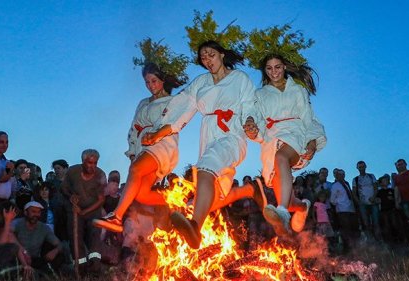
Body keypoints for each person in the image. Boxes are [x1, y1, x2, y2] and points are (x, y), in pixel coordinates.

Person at [142, 40, 266, 249]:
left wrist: (250, 123)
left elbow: (249, 106)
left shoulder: (239, 79)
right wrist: (158, 133)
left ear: (221, 54)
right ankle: (249, 190)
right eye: (203, 57)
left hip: (232, 136)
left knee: (205, 171)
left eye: (210, 54)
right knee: (213, 196)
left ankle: (195, 228)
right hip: (209, 139)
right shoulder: (201, 83)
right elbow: (181, 109)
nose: (207, 60)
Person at [93, 61, 186, 233]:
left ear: (163, 80)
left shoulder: (173, 101)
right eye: (147, 82)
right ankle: (179, 200)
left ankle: (117, 217)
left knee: (136, 170)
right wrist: (133, 153)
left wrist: (155, 136)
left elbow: (174, 124)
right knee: (141, 194)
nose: (151, 86)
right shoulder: (143, 103)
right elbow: (134, 129)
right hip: (144, 148)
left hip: (163, 144)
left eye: (154, 81)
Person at [251, 53, 326, 236]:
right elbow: (256, 119)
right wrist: (252, 128)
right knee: (286, 196)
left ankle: (282, 212)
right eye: (269, 68)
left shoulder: (298, 90)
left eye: (277, 67)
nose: (274, 71)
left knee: (282, 157)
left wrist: (313, 143)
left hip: (295, 133)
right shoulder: (260, 94)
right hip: (272, 139)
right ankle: (301, 207)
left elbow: (310, 118)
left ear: (284, 67)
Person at [61, 149, 106, 273]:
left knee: (94, 236)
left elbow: (101, 199)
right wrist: (71, 196)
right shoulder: (72, 172)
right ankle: (80, 268)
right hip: (74, 210)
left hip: (92, 211)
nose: (92, 166)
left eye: (95, 163)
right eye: (89, 163)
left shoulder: (100, 175)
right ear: (83, 162)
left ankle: (95, 267)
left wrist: (85, 212)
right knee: (75, 236)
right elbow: (64, 188)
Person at [13, 201, 65, 275]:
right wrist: (22, 251)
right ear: (25, 212)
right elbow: (9, 234)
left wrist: (55, 251)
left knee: (59, 257)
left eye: (38, 212)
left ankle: (38, 274)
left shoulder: (44, 228)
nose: (36, 215)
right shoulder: (17, 223)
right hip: (18, 259)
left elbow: (60, 245)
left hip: (34, 260)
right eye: (33, 211)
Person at [330, 169, 359, 252]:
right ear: (336, 175)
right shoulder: (335, 185)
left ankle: (354, 247)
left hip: (351, 209)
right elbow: (332, 200)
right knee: (346, 230)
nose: (341, 176)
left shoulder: (346, 184)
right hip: (342, 210)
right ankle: (347, 249)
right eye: (339, 174)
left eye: (343, 174)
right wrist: (339, 203)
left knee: (353, 229)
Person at [352, 161, 380, 240]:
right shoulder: (356, 179)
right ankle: (370, 241)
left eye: (363, 166)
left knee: (376, 222)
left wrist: (374, 197)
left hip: (373, 202)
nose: (361, 168)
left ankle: (378, 239)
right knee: (366, 223)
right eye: (360, 167)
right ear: (357, 168)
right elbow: (353, 192)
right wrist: (358, 202)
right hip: (363, 204)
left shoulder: (371, 176)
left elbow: (375, 187)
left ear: (365, 167)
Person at [375, 174, 401, 242]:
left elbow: (396, 198)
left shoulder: (391, 190)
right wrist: (377, 200)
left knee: (395, 224)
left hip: (392, 209)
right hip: (384, 211)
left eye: (386, 180)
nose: (386, 181)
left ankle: (398, 238)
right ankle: (390, 240)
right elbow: (376, 200)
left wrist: (394, 200)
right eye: (384, 180)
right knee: (387, 225)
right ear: (380, 183)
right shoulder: (379, 192)